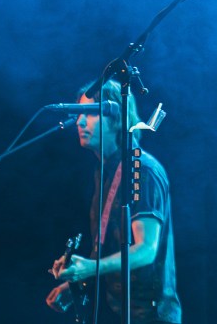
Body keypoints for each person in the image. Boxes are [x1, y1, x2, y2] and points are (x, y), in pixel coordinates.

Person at [46, 80, 182, 324]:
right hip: (119, 312)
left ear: (116, 117)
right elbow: (107, 249)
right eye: (79, 114)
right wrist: (79, 279)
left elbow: (146, 249)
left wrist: (90, 268)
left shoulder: (142, 169)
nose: (79, 122)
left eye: (90, 113)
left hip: (150, 317)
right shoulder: (105, 172)